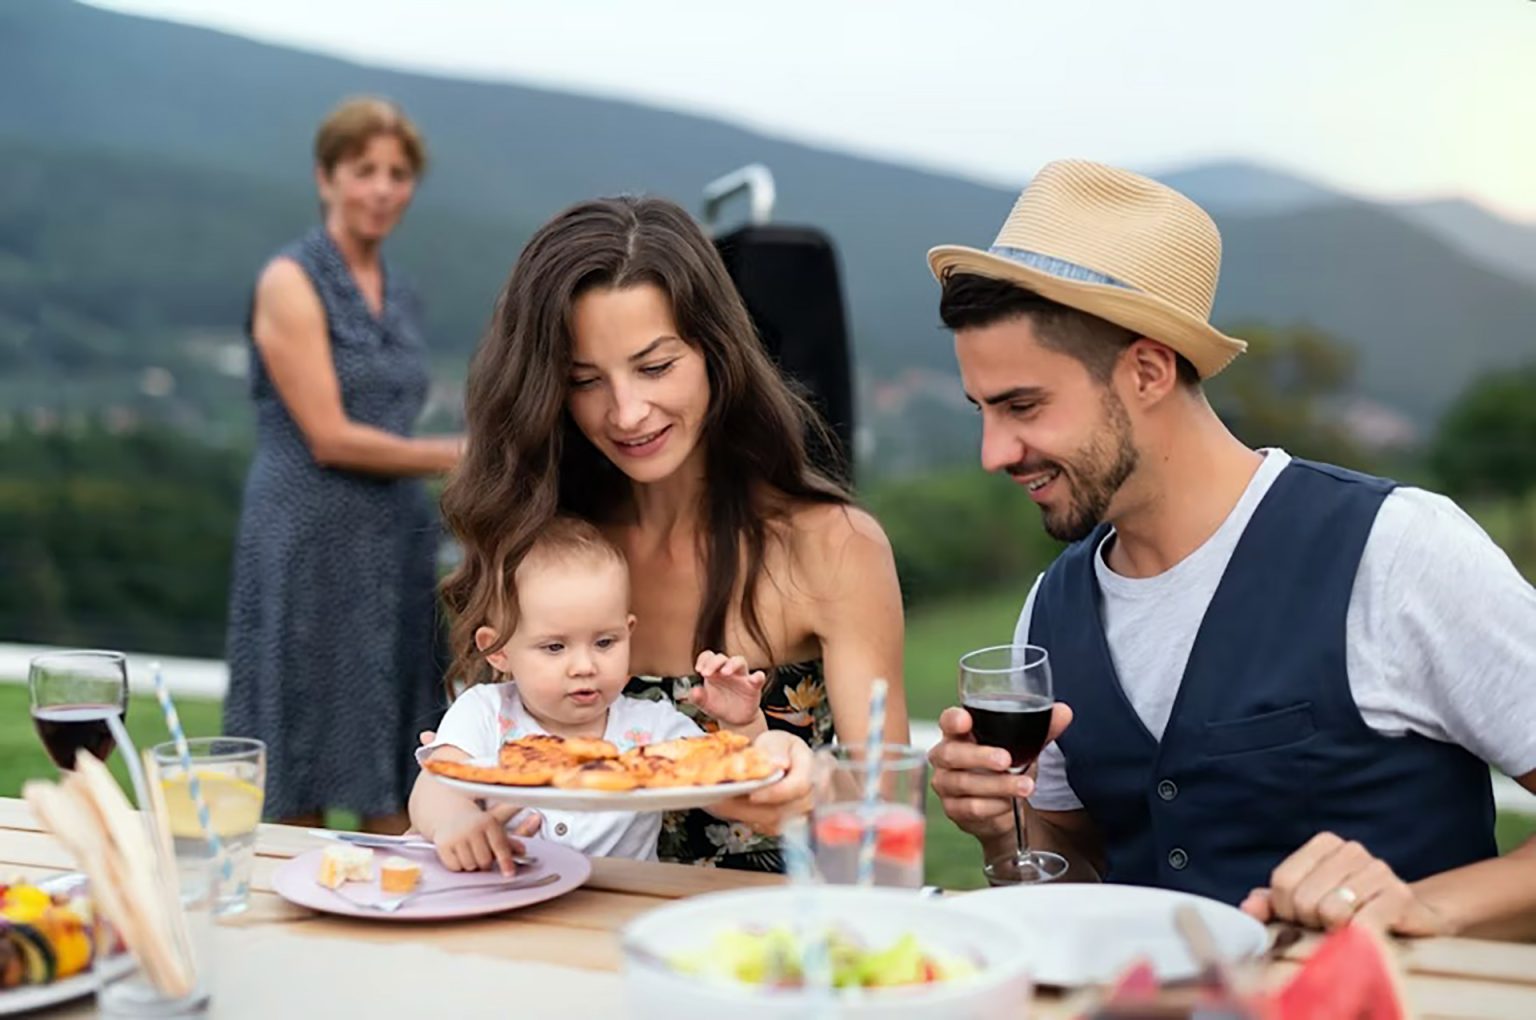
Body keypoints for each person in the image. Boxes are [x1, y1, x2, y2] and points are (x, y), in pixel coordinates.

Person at [925, 159, 1536, 938]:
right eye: (982, 410)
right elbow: (1086, 875)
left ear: (1147, 370)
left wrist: (1424, 909)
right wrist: (1000, 827)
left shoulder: (1398, 550)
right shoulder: (1051, 608)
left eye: (1023, 406)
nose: (993, 452)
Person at [439, 195, 908, 870]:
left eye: (655, 367)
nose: (627, 412)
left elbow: (887, 814)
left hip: (764, 948)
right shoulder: (542, 550)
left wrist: (809, 778)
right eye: (585, 380)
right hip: (568, 929)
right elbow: (479, 767)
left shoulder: (834, 546)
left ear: (718, 354)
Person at [224, 96, 461, 833]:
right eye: (365, 170)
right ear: (326, 177)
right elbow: (327, 435)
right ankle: (290, 914)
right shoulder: (290, 281)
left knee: (397, 750)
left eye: (399, 173)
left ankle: (400, 913)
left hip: (394, 543)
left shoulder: (405, 292)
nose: (384, 189)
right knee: (302, 746)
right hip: (308, 538)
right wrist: (459, 454)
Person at [411, 517, 812, 871]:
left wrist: (740, 724)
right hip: (511, 898)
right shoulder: (485, 710)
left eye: (604, 642)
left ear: (628, 632)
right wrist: (455, 823)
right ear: (498, 649)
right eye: (554, 647)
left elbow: (730, 793)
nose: (584, 665)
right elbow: (437, 783)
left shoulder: (650, 728)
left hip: (622, 907)